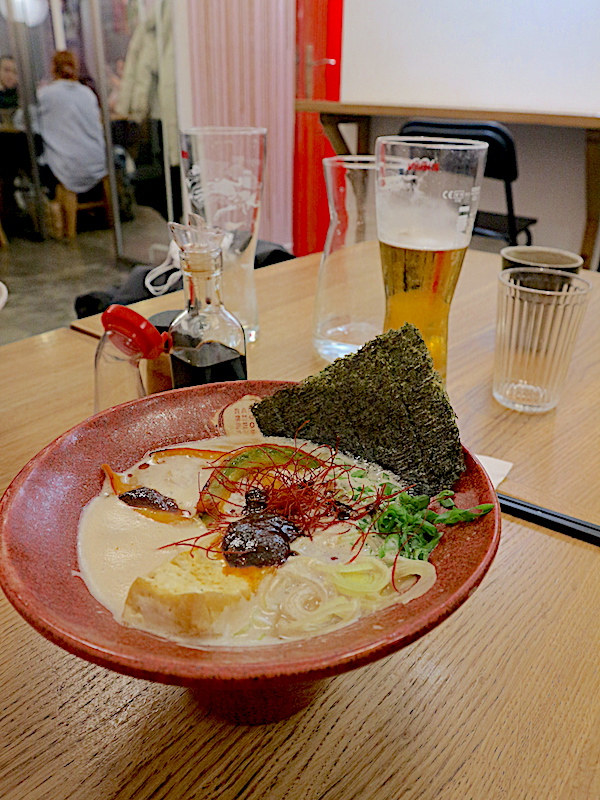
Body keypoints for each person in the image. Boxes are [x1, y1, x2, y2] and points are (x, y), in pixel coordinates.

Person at [34, 50, 107, 197]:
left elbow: (25, 121)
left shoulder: (46, 94)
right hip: (98, 163)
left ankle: (61, 217)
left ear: (53, 68)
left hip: (68, 168)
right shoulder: (87, 93)